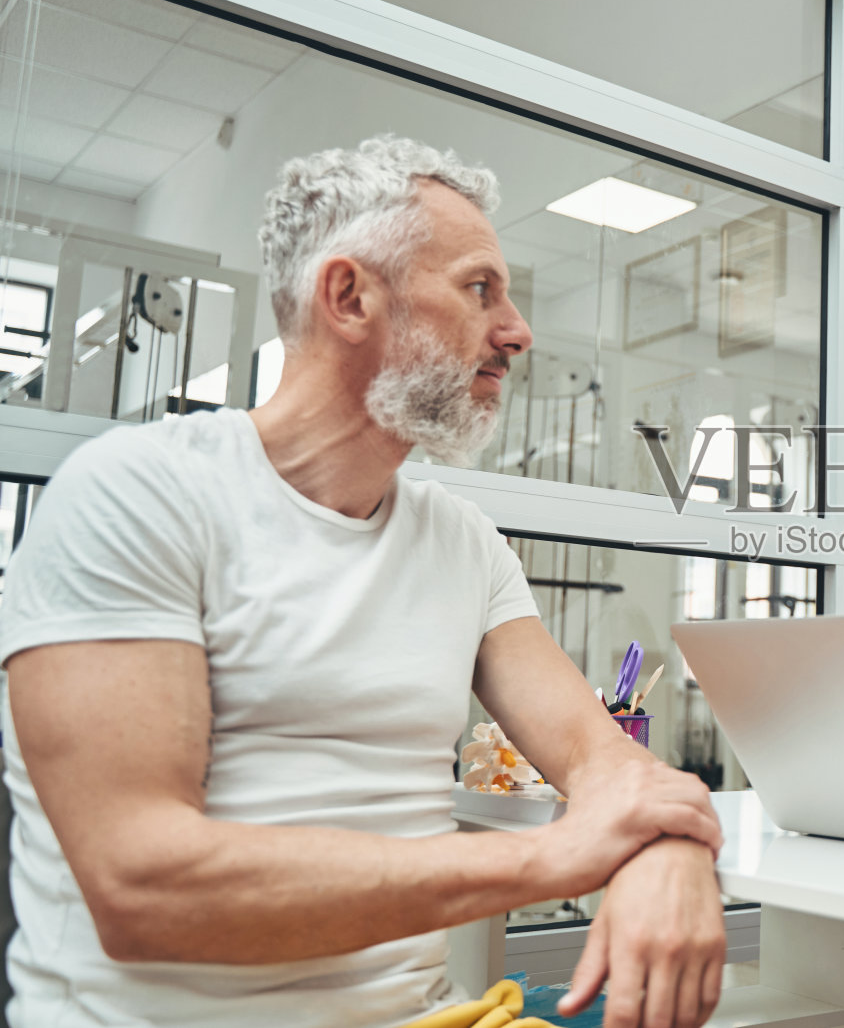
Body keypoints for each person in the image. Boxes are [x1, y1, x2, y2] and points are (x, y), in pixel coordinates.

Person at [0, 136, 727, 1028]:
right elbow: (142, 887)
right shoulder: (138, 494)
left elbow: (601, 757)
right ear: (350, 297)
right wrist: (558, 860)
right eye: (479, 288)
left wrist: (665, 851)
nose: (518, 330)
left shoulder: (462, 543)